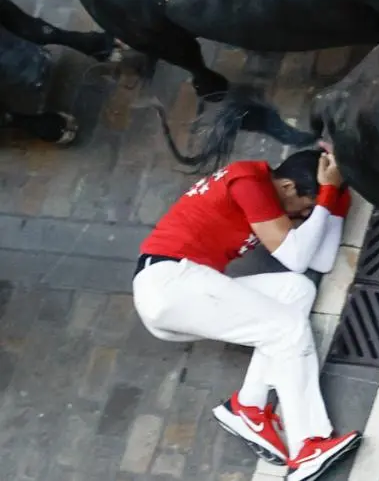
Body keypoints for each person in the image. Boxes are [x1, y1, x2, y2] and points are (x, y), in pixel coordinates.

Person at [131, 144, 362, 481]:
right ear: (286, 187)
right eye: (304, 208)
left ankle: (249, 407)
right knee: (286, 329)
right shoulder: (247, 180)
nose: (303, 218)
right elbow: (298, 256)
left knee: (296, 291)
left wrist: (338, 197)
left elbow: (319, 260)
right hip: (171, 282)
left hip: (181, 290)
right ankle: (308, 444)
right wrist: (326, 192)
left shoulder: (273, 192)